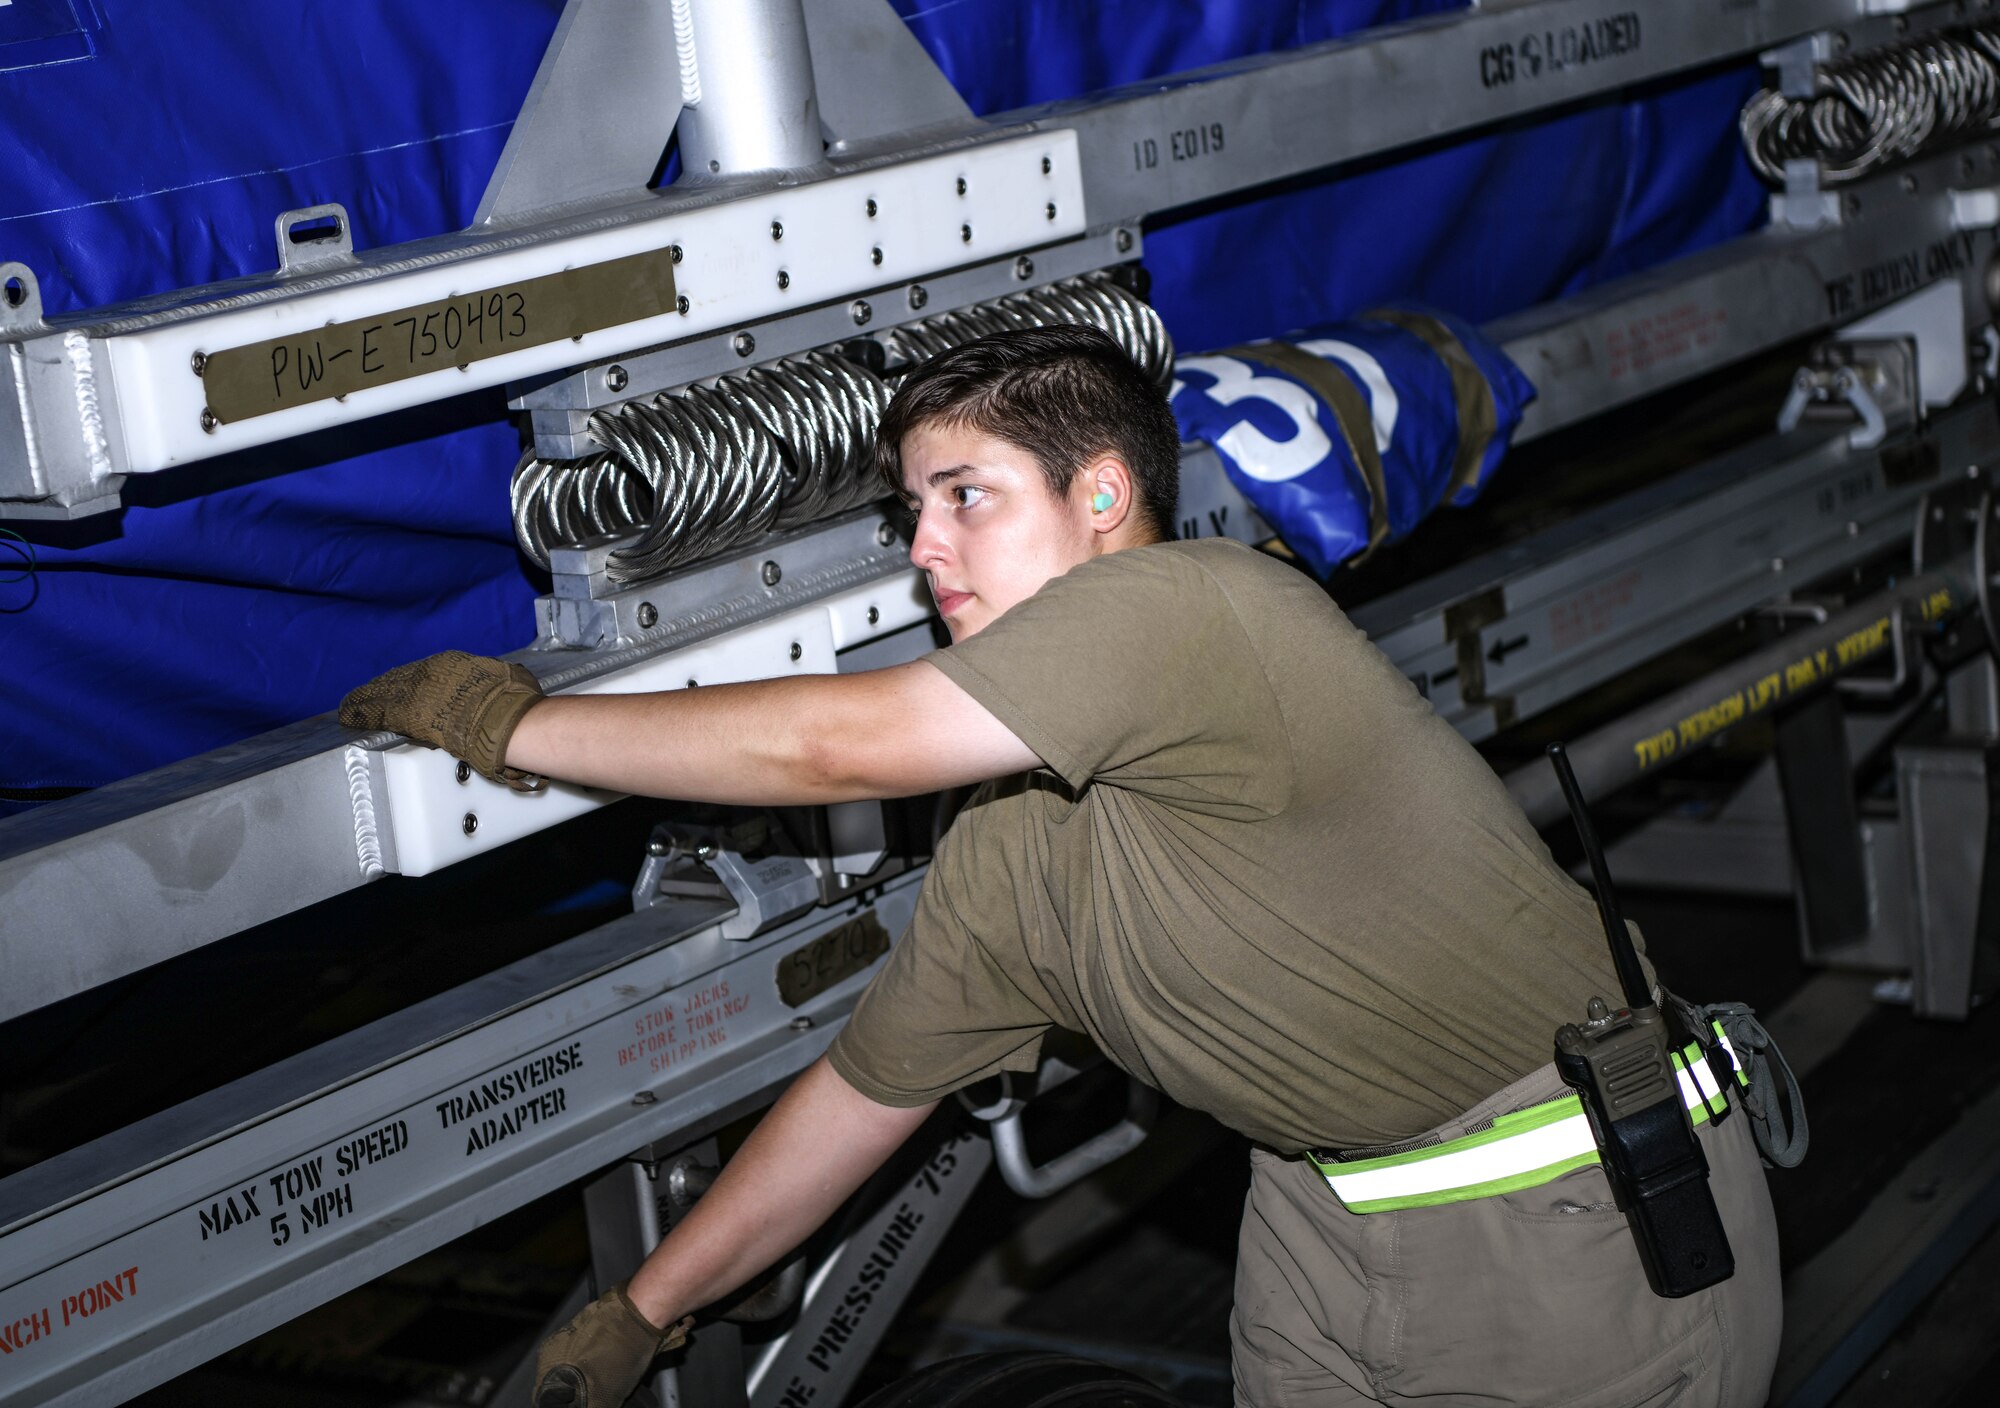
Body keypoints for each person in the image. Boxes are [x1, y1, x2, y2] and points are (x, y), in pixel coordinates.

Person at [339, 324, 1782, 1408]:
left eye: (966, 497)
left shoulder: (1197, 606)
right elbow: (858, 1099)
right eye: (912, 514)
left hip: (1564, 1224)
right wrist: (643, 1312)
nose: (926, 550)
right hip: (1314, 1220)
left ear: (1103, 497)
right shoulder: (1010, 857)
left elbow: (841, 751)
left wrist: (516, 725)